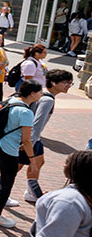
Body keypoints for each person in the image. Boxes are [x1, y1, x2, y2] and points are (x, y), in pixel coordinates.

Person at [0, 79, 43, 228]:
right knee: (7, 183)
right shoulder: (26, 112)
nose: (41, 94)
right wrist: (33, 161)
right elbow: (26, 140)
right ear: (32, 93)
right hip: (8, 148)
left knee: (7, 173)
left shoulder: (11, 100)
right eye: (40, 92)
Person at [24, 69, 73, 204]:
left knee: (39, 163)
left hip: (34, 139)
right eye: (66, 82)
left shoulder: (44, 96)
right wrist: (30, 143)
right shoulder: (47, 100)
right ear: (53, 82)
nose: (68, 85)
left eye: (70, 83)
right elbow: (37, 124)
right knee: (13, 169)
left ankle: (32, 193)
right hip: (30, 139)